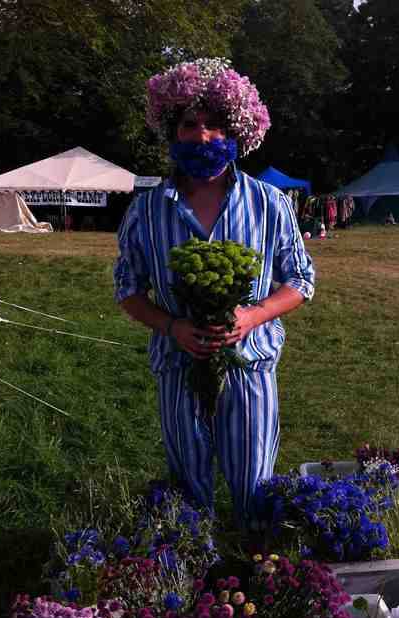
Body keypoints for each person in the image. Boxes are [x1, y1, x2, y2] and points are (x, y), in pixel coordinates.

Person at [114, 58, 315, 530]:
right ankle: (190, 567)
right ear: (173, 130)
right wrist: (172, 325)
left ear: (237, 131)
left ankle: (258, 568)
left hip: (251, 364)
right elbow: (128, 290)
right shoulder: (147, 210)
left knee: (254, 485)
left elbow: (301, 280)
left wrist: (254, 315)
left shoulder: (270, 203)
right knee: (187, 483)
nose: (202, 136)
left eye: (215, 124)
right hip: (177, 365)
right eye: (190, 125)